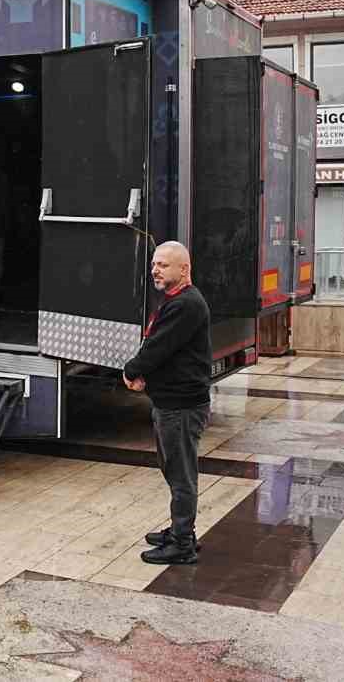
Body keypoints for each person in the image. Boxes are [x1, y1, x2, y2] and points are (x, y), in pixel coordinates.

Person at [122, 241, 213, 566]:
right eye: (154, 264)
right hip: (172, 402)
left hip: (182, 407)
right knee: (174, 469)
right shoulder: (177, 300)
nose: (155, 270)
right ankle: (179, 529)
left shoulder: (186, 304)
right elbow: (164, 348)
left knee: (181, 473)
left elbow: (158, 346)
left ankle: (182, 543)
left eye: (163, 265)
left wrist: (133, 369)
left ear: (183, 269)